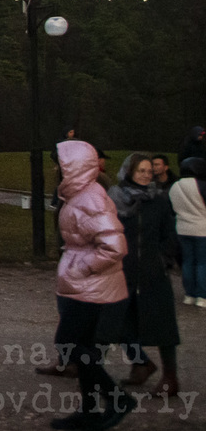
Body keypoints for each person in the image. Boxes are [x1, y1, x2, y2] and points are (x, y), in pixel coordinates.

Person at [49, 138, 132, 427]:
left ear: (73, 167)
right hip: (87, 286)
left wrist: (82, 268)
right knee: (81, 348)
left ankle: (116, 398)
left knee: (69, 344)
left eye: (60, 165)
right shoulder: (80, 195)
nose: (56, 170)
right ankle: (89, 409)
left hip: (94, 287)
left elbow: (114, 246)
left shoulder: (90, 198)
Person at [102, 153, 181, 397]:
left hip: (152, 271)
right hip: (123, 270)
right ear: (129, 171)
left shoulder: (158, 199)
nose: (146, 175)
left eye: (149, 171)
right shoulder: (114, 199)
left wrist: (162, 259)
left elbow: (169, 233)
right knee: (119, 322)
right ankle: (140, 363)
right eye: (141, 171)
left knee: (163, 324)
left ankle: (170, 377)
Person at [173, 158, 205, 309]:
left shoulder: (175, 186)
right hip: (202, 229)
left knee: (187, 262)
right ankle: (202, 296)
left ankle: (189, 295)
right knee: (202, 263)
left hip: (182, 229)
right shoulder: (202, 185)